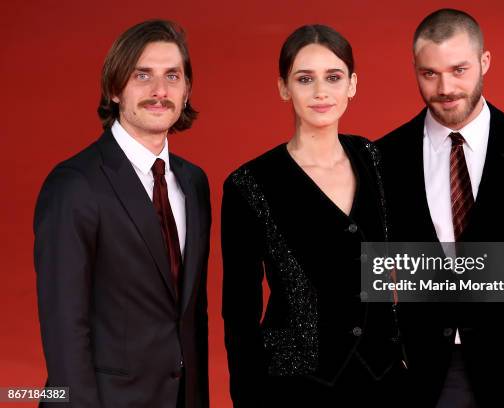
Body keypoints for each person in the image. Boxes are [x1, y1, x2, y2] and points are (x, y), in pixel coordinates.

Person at [376, 8, 504, 408]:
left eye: (459, 69)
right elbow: (374, 268)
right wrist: (387, 351)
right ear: (415, 70)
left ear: (484, 61)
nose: (445, 87)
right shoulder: (384, 158)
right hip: (418, 372)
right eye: (429, 73)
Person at [221, 24, 408, 407]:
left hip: (385, 380)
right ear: (283, 88)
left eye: (333, 77)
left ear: (352, 85)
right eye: (305, 79)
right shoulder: (248, 184)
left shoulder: (378, 161)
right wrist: (246, 397)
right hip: (293, 386)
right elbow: (239, 314)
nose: (321, 92)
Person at [34, 20, 210, 408]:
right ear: (115, 88)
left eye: (172, 76)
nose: (159, 91)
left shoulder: (194, 184)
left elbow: (192, 317)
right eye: (142, 75)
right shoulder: (74, 185)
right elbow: (65, 327)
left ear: (186, 91)